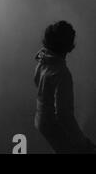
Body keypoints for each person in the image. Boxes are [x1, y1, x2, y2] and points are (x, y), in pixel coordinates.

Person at [34, 21, 95, 153]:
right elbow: (63, 114)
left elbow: (36, 80)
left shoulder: (43, 60)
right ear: (69, 46)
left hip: (40, 118)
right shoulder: (62, 73)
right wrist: (82, 142)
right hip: (52, 124)